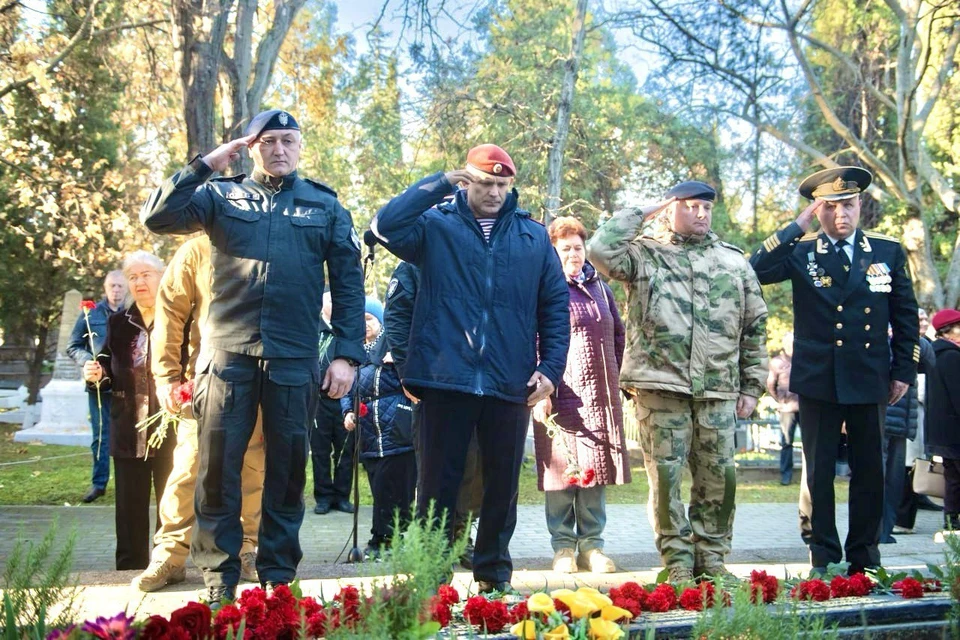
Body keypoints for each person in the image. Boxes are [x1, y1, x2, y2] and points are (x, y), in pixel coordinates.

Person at [140, 109, 365, 603]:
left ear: (301, 146)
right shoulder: (220, 196)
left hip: (293, 356)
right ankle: (218, 579)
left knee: (287, 469)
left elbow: (349, 285)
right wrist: (208, 164)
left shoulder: (324, 205)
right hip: (227, 356)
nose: (278, 149)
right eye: (267, 141)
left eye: (287, 140)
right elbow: (157, 218)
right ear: (251, 146)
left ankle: (278, 576)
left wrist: (347, 356)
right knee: (216, 469)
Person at [372, 144, 570, 592]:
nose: (495, 192)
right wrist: (440, 182)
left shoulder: (533, 237)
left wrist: (551, 369)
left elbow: (555, 307)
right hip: (444, 380)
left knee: (501, 488)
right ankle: (432, 579)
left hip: (509, 381)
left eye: (503, 184)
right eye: (485, 182)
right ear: (467, 181)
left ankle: (494, 580)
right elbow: (384, 226)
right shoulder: (433, 226)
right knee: (437, 487)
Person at [588, 180, 768, 583]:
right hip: (660, 387)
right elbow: (599, 250)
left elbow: (755, 326)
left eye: (706, 207)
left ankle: (714, 560)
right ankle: (678, 563)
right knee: (666, 481)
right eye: (690, 206)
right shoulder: (645, 254)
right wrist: (644, 212)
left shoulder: (734, 262)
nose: (701, 214)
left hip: (718, 389)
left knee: (720, 478)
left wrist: (752, 387)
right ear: (671, 209)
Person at [750, 166, 919, 574]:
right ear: (817, 210)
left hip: (869, 376)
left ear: (861, 205)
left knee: (868, 471)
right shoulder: (802, 249)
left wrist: (903, 372)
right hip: (818, 378)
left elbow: (906, 316)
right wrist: (797, 225)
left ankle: (865, 555)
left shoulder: (887, 251)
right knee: (818, 471)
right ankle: (821, 552)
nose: (840, 215)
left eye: (848, 205)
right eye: (829, 207)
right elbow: (753, 268)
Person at [133, 236, 265, 592]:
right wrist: (166, 377)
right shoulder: (198, 248)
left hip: (262, 375)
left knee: (252, 468)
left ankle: (246, 547)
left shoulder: (271, 235)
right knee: (189, 468)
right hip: (208, 378)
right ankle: (170, 554)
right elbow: (170, 311)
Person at [532, 216, 630, 574]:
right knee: (560, 476)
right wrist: (540, 391)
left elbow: (618, 335)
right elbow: (534, 339)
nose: (573, 254)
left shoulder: (601, 288)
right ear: (553, 252)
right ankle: (562, 548)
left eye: (578, 247)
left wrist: (618, 382)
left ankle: (592, 546)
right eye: (565, 248)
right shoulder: (543, 286)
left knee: (594, 472)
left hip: (599, 397)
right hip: (559, 394)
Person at [382, 260, 484, 569]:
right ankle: (432, 542)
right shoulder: (415, 263)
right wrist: (406, 371)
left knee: (473, 465)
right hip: (432, 381)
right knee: (434, 468)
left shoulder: (477, 252)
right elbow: (397, 320)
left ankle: (461, 536)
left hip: (477, 379)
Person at [82, 251, 175, 570]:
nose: (139, 282)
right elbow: (107, 362)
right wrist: (98, 374)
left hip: (172, 426)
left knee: (172, 506)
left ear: (162, 276)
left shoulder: (179, 317)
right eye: (132, 277)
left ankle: (168, 566)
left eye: (146, 274)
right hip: (129, 427)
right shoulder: (117, 322)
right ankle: (130, 570)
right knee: (129, 508)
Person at [341, 296, 416, 557]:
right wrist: (348, 411)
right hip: (369, 432)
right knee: (378, 485)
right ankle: (388, 536)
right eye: (359, 321)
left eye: (369, 319)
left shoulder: (397, 345)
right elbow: (347, 388)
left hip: (397, 427)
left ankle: (384, 538)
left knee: (395, 485)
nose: (365, 326)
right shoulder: (356, 352)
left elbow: (414, 379)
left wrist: (399, 361)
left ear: (381, 321)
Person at [67, 270, 126, 503]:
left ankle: (126, 482)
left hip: (127, 384)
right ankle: (99, 483)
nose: (117, 290)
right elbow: (73, 346)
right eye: (112, 286)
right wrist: (87, 362)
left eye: (121, 286)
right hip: (99, 385)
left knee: (127, 436)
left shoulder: (134, 314)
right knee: (101, 435)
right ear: (105, 288)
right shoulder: (90, 314)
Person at [880, 329, 932, 543]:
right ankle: (876, 529)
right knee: (877, 477)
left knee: (895, 479)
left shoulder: (909, 342)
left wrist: (912, 335)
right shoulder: (873, 337)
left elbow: (929, 361)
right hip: (880, 419)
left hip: (900, 423)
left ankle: (886, 529)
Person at [312, 291, 354, 516]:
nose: (335, 303)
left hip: (343, 401)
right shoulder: (313, 326)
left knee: (345, 449)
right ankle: (323, 497)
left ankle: (342, 496)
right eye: (330, 299)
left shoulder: (344, 329)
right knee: (319, 451)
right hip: (318, 400)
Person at [926, 310, 960, 542]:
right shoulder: (952, 357)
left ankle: (951, 521)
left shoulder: (935, 354)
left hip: (942, 430)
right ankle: (952, 520)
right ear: (947, 331)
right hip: (954, 428)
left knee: (953, 478)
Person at [767, 332, 800, 485]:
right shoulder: (777, 363)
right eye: (788, 343)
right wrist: (780, 401)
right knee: (786, 442)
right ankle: (786, 475)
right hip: (787, 409)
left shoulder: (804, 360)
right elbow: (770, 385)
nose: (790, 346)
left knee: (810, 444)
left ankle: (809, 475)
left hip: (805, 408)